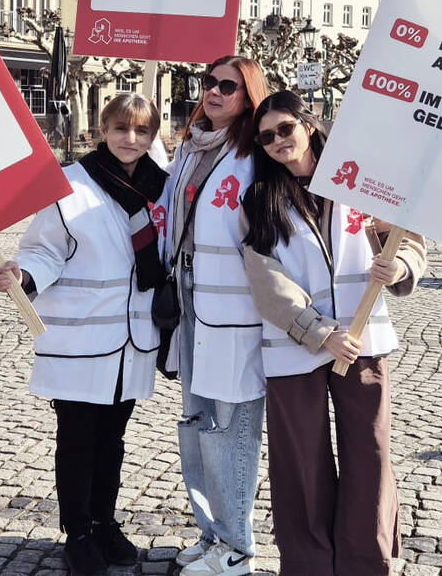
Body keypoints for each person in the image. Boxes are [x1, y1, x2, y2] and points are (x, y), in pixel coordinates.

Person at [239, 92, 427, 576]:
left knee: (371, 452)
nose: (279, 142)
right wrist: (318, 333)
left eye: (285, 129)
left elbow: (408, 241)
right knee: (301, 459)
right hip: (295, 349)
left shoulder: (362, 180)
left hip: (365, 341)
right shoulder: (259, 199)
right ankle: (308, 564)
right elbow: (266, 280)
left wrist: (400, 264)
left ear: (307, 123)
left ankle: (368, 560)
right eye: (266, 137)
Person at [0, 94, 167, 576]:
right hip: (81, 339)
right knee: (78, 440)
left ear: (153, 136)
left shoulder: (161, 186)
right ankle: (79, 533)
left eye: (142, 131)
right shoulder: (70, 184)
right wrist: (22, 275)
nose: (131, 139)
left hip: (132, 339)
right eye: (121, 129)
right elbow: (44, 248)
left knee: (114, 439)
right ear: (102, 129)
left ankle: (105, 522)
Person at [160, 55, 269, 576]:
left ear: (250, 96)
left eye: (229, 85)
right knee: (195, 424)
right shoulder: (189, 148)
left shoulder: (255, 156)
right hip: (188, 300)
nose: (215, 92)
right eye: (209, 82)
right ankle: (209, 534)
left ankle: (236, 547)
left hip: (234, 308)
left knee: (232, 427)